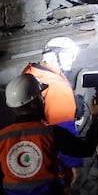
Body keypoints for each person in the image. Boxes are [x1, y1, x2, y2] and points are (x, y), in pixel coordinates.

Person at [22, 38, 87, 177]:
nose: (71, 61)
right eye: (67, 56)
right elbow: (66, 131)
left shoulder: (31, 73)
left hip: (31, 150)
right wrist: (74, 164)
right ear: (52, 55)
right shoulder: (57, 86)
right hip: (54, 156)